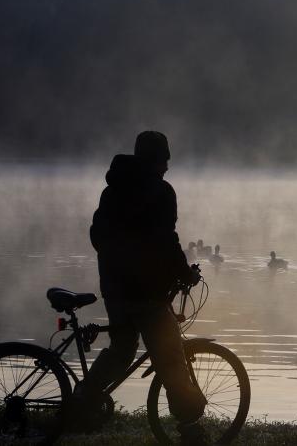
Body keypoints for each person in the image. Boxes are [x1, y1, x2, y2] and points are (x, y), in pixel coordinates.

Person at [73, 131, 207, 444]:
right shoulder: (161, 193)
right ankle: (189, 426)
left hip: (115, 288)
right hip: (147, 292)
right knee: (171, 357)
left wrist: (114, 263)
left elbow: (98, 236)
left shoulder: (113, 190)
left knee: (121, 350)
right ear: (156, 159)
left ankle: (81, 402)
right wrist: (184, 273)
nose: (167, 167)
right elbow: (167, 240)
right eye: (165, 160)